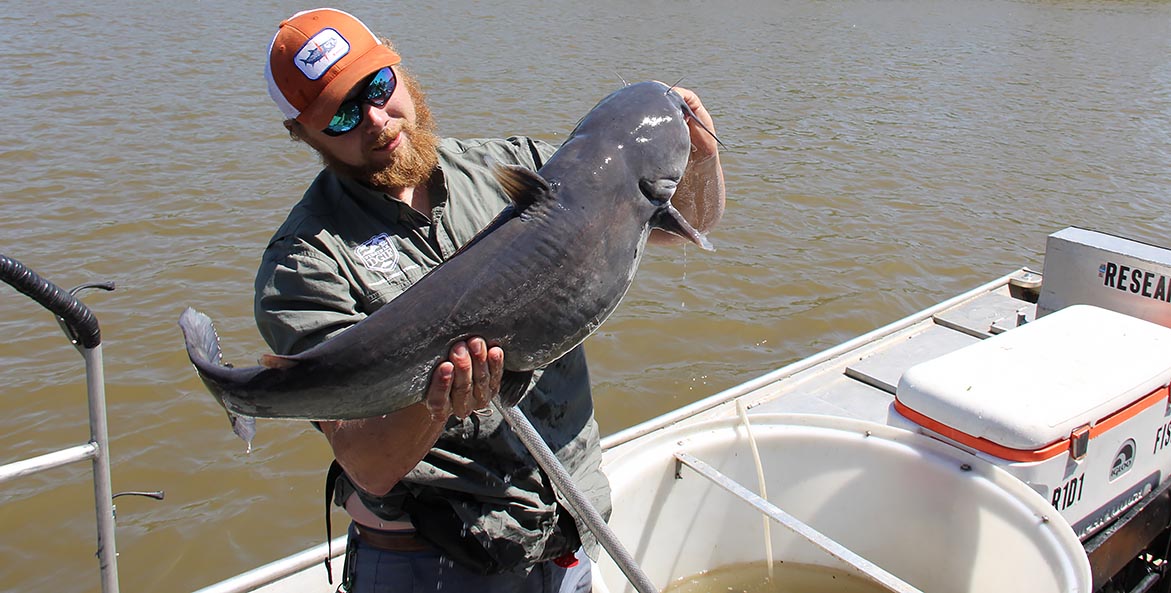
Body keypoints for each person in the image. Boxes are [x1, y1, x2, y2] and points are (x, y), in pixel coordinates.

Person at [256, 7, 725, 593]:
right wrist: (438, 401)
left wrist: (698, 155)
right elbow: (367, 464)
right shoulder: (305, 264)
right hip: (432, 565)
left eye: (378, 87)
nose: (377, 119)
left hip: (568, 535)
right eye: (343, 115)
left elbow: (681, 222)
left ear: (399, 66)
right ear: (301, 133)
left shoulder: (511, 166)